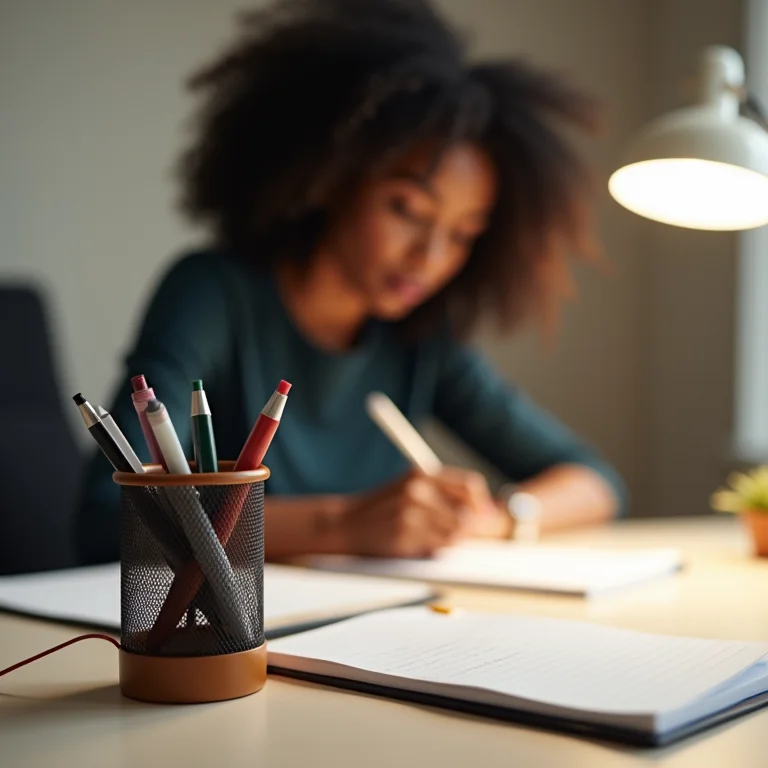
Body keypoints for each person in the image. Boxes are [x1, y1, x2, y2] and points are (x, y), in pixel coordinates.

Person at [75, 0, 625, 565]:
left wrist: (498, 519)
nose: (429, 258)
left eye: (462, 234)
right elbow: (110, 516)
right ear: (330, 178)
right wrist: (346, 524)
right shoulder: (214, 294)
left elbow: (596, 481)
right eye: (406, 209)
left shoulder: (422, 336)